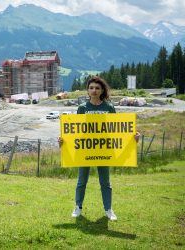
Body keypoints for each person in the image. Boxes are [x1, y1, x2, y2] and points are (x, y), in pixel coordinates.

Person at [58, 76, 140, 221]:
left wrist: (132, 138)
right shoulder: (82, 108)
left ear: (102, 90)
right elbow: (76, 131)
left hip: (104, 149)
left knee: (105, 182)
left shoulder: (109, 107)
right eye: (91, 88)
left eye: (97, 88)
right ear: (87, 90)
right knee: (81, 181)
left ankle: (108, 209)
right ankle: (78, 207)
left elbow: (117, 130)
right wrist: (64, 141)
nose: (94, 90)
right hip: (85, 149)